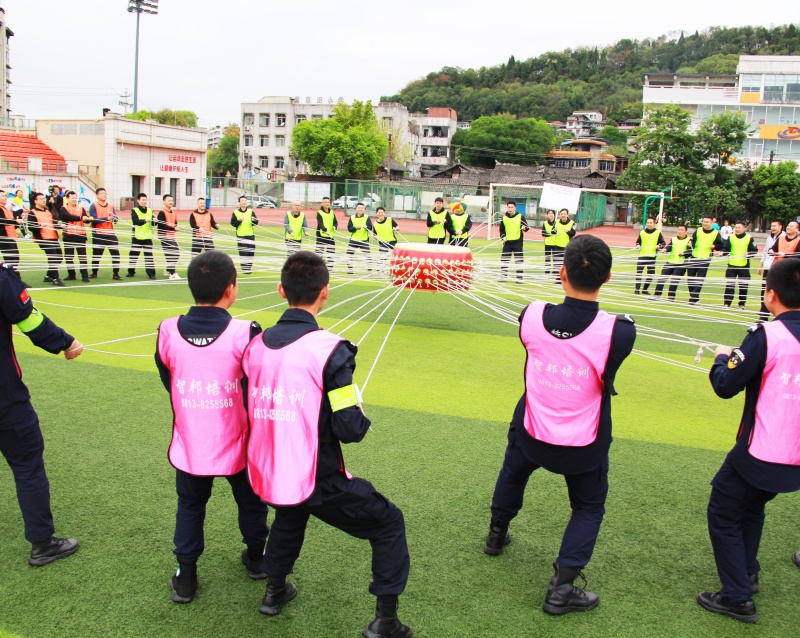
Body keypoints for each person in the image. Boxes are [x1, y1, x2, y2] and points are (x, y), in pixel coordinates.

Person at [243, 251, 411, 637]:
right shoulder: (330, 350)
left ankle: (274, 591)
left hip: (271, 469)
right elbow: (349, 427)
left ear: (281, 290)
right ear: (325, 293)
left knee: (290, 512)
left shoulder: (255, 346)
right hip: (318, 475)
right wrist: (361, 419)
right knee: (389, 522)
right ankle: (386, 620)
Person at [484, 235, 636, 616]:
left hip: (532, 432)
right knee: (588, 507)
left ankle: (496, 535)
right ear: (608, 277)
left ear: (561, 272)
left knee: (513, 472)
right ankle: (561, 588)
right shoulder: (620, 331)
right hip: (582, 445)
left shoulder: (531, 315)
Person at [155, 250, 269, 604]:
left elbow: (169, 378)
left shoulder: (167, 330)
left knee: (190, 505)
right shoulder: (246, 332)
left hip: (192, 439)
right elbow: (256, 385)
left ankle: (186, 576)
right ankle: (257, 558)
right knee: (251, 503)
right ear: (231, 288)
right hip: (239, 440)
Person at [697, 257, 800, 624]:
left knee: (723, 511)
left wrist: (721, 359)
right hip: (794, 453)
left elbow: (726, 385)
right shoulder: (767, 336)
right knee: (752, 506)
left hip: (761, 449)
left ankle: (737, 597)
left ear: (770, 296)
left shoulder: (766, 336)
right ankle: (747, 572)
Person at [0, 262, 82, 565]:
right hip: (5, 397)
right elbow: (29, 319)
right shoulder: (2, 278)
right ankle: (43, 543)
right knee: (27, 465)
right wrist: (65, 342)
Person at [27, 192, 64, 286]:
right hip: (43, 239)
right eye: (41, 199)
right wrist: (40, 226)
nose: (44, 200)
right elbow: (30, 227)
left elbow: (53, 224)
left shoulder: (47, 212)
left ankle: (48, 275)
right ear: (35, 201)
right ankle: (55, 278)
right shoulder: (32, 213)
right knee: (53, 257)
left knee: (59, 257)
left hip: (53, 237)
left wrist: (60, 226)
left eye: (44, 199)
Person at [687, 216, 724, 305]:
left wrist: (714, 246)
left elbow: (720, 245)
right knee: (690, 277)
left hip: (705, 258)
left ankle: (694, 298)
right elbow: (693, 240)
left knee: (700, 278)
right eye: (704, 221)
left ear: (711, 223)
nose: (705, 223)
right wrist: (691, 243)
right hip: (694, 256)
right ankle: (694, 296)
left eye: (707, 222)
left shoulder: (716, 233)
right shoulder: (698, 230)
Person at [722, 221, 757, 310]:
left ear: (744, 228)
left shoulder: (749, 238)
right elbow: (726, 248)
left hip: (744, 266)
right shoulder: (731, 237)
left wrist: (749, 254)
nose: (737, 229)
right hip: (732, 265)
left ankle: (742, 304)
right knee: (730, 285)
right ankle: (727, 303)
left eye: (739, 228)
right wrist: (723, 252)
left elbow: (754, 250)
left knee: (743, 286)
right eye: (736, 228)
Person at [89, 187, 122, 280]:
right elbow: (93, 220)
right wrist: (106, 218)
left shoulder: (111, 206)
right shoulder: (93, 206)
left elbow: (115, 220)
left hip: (110, 233)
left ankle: (116, 273)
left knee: (116, 254)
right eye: (102, 193)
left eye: (105, 193)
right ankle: (94, 273)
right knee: (97, 255)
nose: (104, 195)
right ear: (97, 195)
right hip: (98, 234)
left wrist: (114, 218)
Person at [59, 190, 92, 282]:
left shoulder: (81, 208)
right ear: (67, 198)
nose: (74, 199)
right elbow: (67, 216)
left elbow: (85, 219)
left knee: (82, 256)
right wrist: (81, 218)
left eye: (75, 198)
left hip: (80, 235)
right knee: (69, 257)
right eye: (72, 198)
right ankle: (71, 274)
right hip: (69, 235)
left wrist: (88, 219)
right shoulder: (63, 208)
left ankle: (85, 276)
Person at [653, 224, 691, 301]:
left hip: (681, 264)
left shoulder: (689, 241)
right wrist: (665, 249)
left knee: (674, 281)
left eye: (682, 230)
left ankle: (671, 297)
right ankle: (656, 295)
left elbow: (691, 252)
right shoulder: (673, 239)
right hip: (670, 262)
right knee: (661, 278)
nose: (679, 231)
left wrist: (684, 253)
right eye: (679, 230)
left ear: (686, 232)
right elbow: (669, 246)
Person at [757, 220, 784, 320]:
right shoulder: (769, 238)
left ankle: (777, 313)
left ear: (780, 227)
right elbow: (765, 251)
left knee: (777, 291)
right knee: (765, 290)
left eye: (775, 226)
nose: (773, 228)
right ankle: (763, 313)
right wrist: (761, 265)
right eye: (772, 226)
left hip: (778, 268)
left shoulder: (783, 238)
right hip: (768, 267)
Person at [127, 193, 156, 280]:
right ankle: (131, 271)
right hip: (137, 236)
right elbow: (135, 222)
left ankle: (151, 273)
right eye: (142, 200)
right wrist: (144, 220)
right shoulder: (134, 210)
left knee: (149, 256)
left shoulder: (150, 210)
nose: (144, 201)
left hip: (147, 237)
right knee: (133, 255)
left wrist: (155, 221)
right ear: (138, 201)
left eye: (145, 200)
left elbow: (153, 224)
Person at [499, 201, 530, 283]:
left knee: (518, 260)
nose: (510, 209)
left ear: (515, 208)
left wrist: (524, 228)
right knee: (504, 259)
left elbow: (527, 227)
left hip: (517, 242)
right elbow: (501, 230)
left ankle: (519, 278)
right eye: (509, 207)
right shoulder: (504, 217)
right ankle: (503, 277)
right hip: (507, 242)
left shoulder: (520, 217)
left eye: (512, 207)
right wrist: (503, 236)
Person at [634, 217, 666, 294]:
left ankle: (645, 289)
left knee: (651, 274)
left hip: (652, 257)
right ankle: (637, 289)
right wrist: (638, 245)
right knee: (639, 273)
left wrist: (659, 246)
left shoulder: (657, 233)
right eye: (648, 222)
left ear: (654, 224)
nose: (649, 224)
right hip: (642, 255)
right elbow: (638, 242)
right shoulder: (642, 232)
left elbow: (663, 243)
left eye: (650, 223)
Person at [231, 195, 259, 275]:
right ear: (239, 202)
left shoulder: (251, 212)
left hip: (250, 235)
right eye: (242, 201)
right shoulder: (235, 212)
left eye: (245, 201)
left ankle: (249, 267)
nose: (244, 202)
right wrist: (239, 221)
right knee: (243, 252)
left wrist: (254, 220)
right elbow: (233, 223)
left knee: (251, 252)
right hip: (241, 235)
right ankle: (244, 269)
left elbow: (256, 222)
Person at [157, 194, 181, 279]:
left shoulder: (174, 213)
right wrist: (173, 228)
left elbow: (175, 223)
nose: (171, 202)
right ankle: (172, 273)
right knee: (171, 254)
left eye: (172, 200)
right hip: (164, 236)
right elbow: (161, 226)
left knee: (176, 253)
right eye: (169, 200)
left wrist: (174, 228)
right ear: (164, 201)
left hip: (172, 236)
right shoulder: (161, 213)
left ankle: (169, 270)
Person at [346, 203, 372, 274]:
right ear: (356, 209)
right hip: (354, 240)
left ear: (364, 209)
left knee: (367, 255)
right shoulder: (352, 217)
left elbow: (370, 227)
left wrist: (367, 227)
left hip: (364, 240)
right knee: (349, 255)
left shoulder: (367, 217)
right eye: (359, 208)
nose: (360, 209)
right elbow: (349, 229)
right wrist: (355, 228)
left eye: (362, 208)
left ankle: (369, 271)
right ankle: (350, 270)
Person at [552, 208, 576, 283]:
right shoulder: (557, 222)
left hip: (567, 246)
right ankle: (558, 278)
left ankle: (566, 278)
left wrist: (568, 232)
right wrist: (554, 230)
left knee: (565, 263)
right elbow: (552, 232)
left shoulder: (571, 223)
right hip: (557, 245)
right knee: (557, 263)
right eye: (561, 214)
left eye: (564, 214)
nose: (563, 215)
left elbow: (573, 234)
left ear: (567, 215)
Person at [314, 196, 337, 270]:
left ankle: (330, 268)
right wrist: (325, 230)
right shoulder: (319, 213)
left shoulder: (332, 212)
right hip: (321, 236)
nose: (327, 203)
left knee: (331, 253)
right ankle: (317, 268)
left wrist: (335, 226)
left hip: (330, 236)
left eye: (328, 202)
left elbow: (335, 221)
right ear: (322, 203)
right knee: (319, 253)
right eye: (325, 202)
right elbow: (320, 223)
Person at [0, 189, 21, 267]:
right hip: (4, 237)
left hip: (10, 236)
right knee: (11, 259)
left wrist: (17, 222)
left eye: (5, 196)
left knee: (15, 258)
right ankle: (11, 274)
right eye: (2, 196)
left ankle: (13, 274)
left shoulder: (4, 208)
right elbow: (2, 221)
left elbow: (10, 222)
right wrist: (16, 221)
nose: (5, 198)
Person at [541, 210, 557, 274]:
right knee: (547, 258)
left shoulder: (557, 223)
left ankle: (555, 270)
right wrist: (549, 234)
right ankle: (547, 270)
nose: (550, 215)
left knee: (555, 258)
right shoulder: (545, 223)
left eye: (552, 213)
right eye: (549, 213)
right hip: (547, 243)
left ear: (554, 215)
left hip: (555, 243)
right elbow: (543, 233)